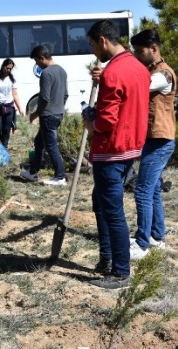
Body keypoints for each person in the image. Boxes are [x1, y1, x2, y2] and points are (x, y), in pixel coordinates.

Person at [84, 20, 150, 289]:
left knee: (113, 213)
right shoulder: (138, 67)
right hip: (130, 148)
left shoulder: (113, 72)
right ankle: (106, 257)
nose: (93, 53)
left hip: (111, 150)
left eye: (92, 46)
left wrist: (91, 124)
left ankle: (121, 272)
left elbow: (107, 121)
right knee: (100, 202)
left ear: (102, 41)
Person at [128, 29, 176, 260]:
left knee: (143, 191)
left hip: (160, 141)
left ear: (153, 49)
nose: (137, 55)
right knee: (153, 190)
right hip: (154, 140)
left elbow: (137, 88)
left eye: (139, 51)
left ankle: (142, 243)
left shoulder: (162, 75)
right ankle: (157, 236)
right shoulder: (153, 72)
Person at [20, 45, 68, 186]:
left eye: (36, 61)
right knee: (39, 142)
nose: (37, 64)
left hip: (48, 116)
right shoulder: (62, 71)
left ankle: (60, 176)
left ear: (42, 58)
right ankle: (33, 172)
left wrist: (35, 113)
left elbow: (44, 98)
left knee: (51, 146)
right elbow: (65, 94)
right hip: (58, 114)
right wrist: (59, 108)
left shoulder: (46, 73)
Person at [0, 58, 25, 148]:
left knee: (6, 130)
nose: (8, 70)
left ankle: (4, 148)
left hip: (9, 107)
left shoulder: (12, 79)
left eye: (10, 69)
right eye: (7, 68)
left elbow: (15, 94)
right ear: (3, 66)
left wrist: (20, 108)